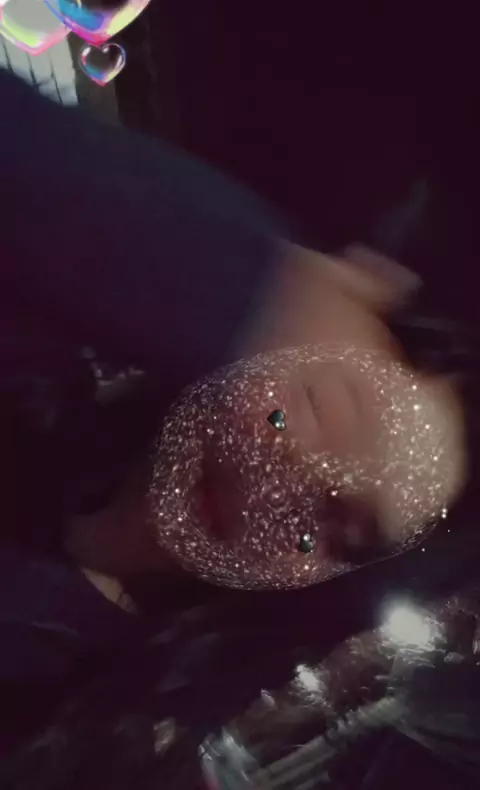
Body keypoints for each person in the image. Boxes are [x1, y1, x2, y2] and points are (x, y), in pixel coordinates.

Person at [1, 68, 480, 787]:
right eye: (322, 411)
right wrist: (239, 281)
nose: (278, 494)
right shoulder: (44, 376)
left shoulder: (93, 705)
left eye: (340, 527)